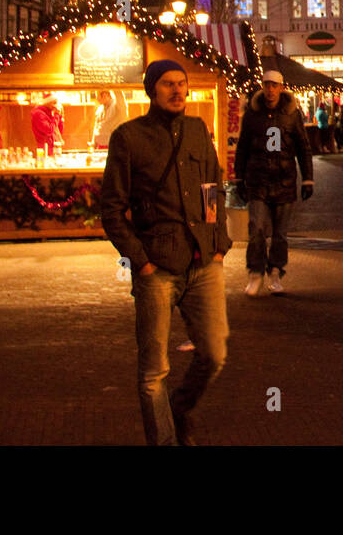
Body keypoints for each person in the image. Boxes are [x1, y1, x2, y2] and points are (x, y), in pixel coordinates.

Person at [99, 59, 230, 445]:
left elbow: (212, 188)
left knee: (214, 353)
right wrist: (140, 261)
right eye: (168, 84)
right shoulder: (129, 137)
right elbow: (111, 208)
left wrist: (218, 242)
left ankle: (179, 408)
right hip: (157, 267)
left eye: (182, 84)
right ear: (152, 90)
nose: (177, 91)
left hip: (203, 262)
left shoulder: (196, 129)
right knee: (153, 371)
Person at [235, 69, 313, 296]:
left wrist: (308, 179)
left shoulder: (291, 114)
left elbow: (303, 147)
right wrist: (239, 177)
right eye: (266, 85)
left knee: (280, 233)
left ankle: (276, 272)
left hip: (284, 180)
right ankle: (255, 272)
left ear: (281, 88)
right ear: (262, 86)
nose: (270, 90)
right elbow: (242, 147)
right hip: (258, 180)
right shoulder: (252, 114)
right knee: (256, 228)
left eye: (274, 85)